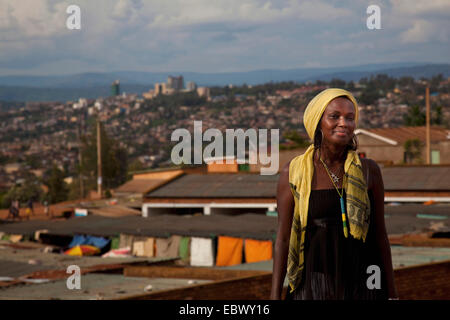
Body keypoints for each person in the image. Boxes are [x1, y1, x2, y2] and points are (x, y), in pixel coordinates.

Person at [270, 88, 398, 300]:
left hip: (362, 284)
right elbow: (283, 239)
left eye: (350, 117)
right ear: (317, 122)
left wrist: (392, 294)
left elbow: (379, 235)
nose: (343, 123)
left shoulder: (368, 170)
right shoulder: (293, 173)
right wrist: (274, 296)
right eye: (334, 116)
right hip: (314, 285)